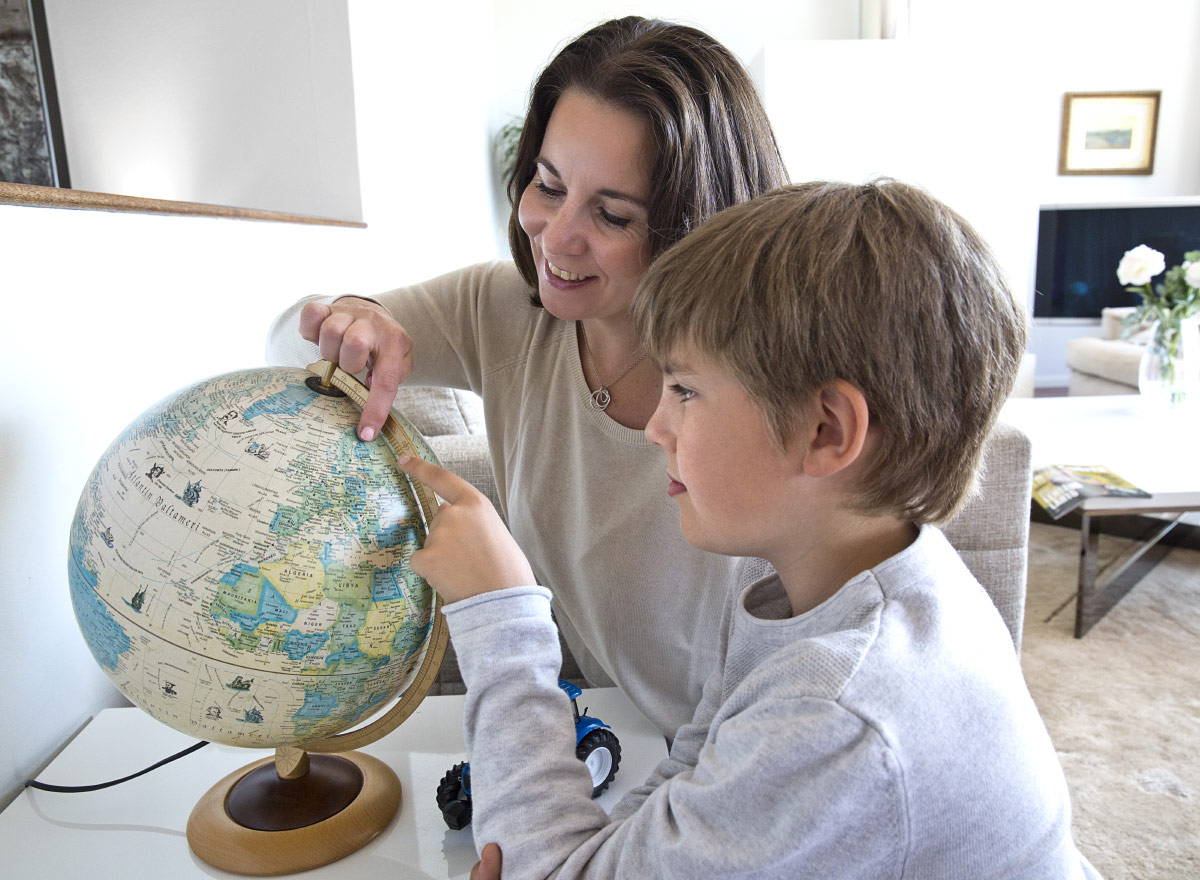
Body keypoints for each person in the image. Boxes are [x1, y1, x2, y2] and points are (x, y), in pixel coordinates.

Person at [395, 179, 1103, 878]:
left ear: (826, 430)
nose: (655, 426)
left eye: (685, 390)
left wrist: (499, 613)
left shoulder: (837, 712)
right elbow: (689, 778)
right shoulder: (826, 582)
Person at [267, 16, 789, 739]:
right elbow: (287, 344)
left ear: (694, 227)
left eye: (611, 214)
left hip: (737, 772)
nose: (556, 235)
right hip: (618, 751)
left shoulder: (761, 389)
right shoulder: (506, 309)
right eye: (548, 185)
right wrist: (354, 320)